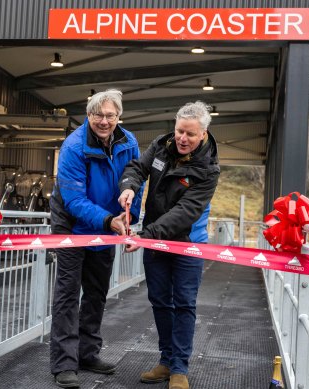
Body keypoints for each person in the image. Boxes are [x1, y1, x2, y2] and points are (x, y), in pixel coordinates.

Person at [118, 101, 220, 389]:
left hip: (188, 242)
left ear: (203, 134)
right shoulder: (161, 146)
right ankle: (165, 360)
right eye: (179, 131)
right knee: (160, 300)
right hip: (154, 238)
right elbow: (137, 167)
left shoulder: (209, 169)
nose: (182, 139)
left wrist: (146, 235)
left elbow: (185, 213)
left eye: (189, 134)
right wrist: (129, 186)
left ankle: (179, 368)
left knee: (184, 303)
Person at [49, 89, 142, 388]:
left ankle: (87, 353)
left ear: (119, 117)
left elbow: (135, 184)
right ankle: (64, 363)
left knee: (97, 291)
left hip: (108, 226)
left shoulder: (129, 142)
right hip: (72, 226)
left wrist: (129, 221)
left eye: (110, 115)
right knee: (67, 294)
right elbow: (74, 199)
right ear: (88, 115)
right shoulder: (74, 146)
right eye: (98, 115)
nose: (104, 121)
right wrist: (108, 221)